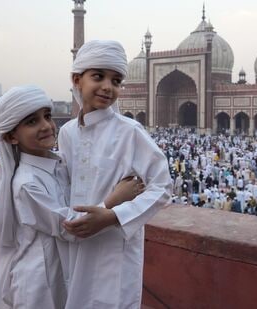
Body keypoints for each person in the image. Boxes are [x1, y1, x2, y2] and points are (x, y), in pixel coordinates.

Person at [0, 85, 143, 309]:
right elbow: (71, 227)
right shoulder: (26, 183)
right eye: (32, 122)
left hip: (63, 270)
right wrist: (114, 200)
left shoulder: (58, 164)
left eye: (47, 116)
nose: (46, 126)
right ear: (11, 137)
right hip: (40, 282)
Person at [58, 40, 172, 308]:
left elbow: (163, 186)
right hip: (78, 241)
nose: (108, 87)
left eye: (116, 80)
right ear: (77, 80)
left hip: (116, 248)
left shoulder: (129, 131)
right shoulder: (67, 133)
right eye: (98, 76)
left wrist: (112, 216)